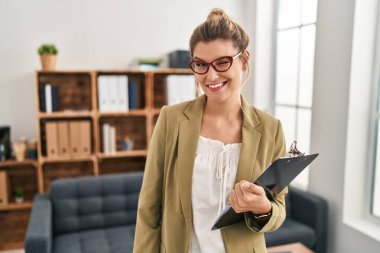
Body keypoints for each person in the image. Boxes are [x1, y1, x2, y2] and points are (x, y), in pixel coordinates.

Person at [134, 8, 287, 253]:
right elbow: (148, 210)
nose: (211, 75)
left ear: (244, 60)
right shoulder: (171, 120)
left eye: (223, 62)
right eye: (201, 65)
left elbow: (278, 208)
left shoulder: (271, 129)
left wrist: (263, 209)